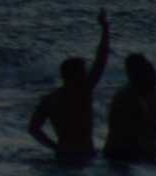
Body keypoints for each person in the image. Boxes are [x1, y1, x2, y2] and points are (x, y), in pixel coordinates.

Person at [29, 9, 109, 160]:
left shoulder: (50, 99)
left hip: (64, 155)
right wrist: (105, 29)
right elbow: (101, 60)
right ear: (75, 75)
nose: (86, 75)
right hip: (84, 155)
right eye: (83, 73)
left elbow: (33, 129)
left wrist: (54, 147)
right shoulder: (83, 92)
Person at [103, 53, 156, 164]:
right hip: (123, 157)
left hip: (126, 156)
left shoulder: (140, 97)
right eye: (152, 75)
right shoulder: (129, 98)